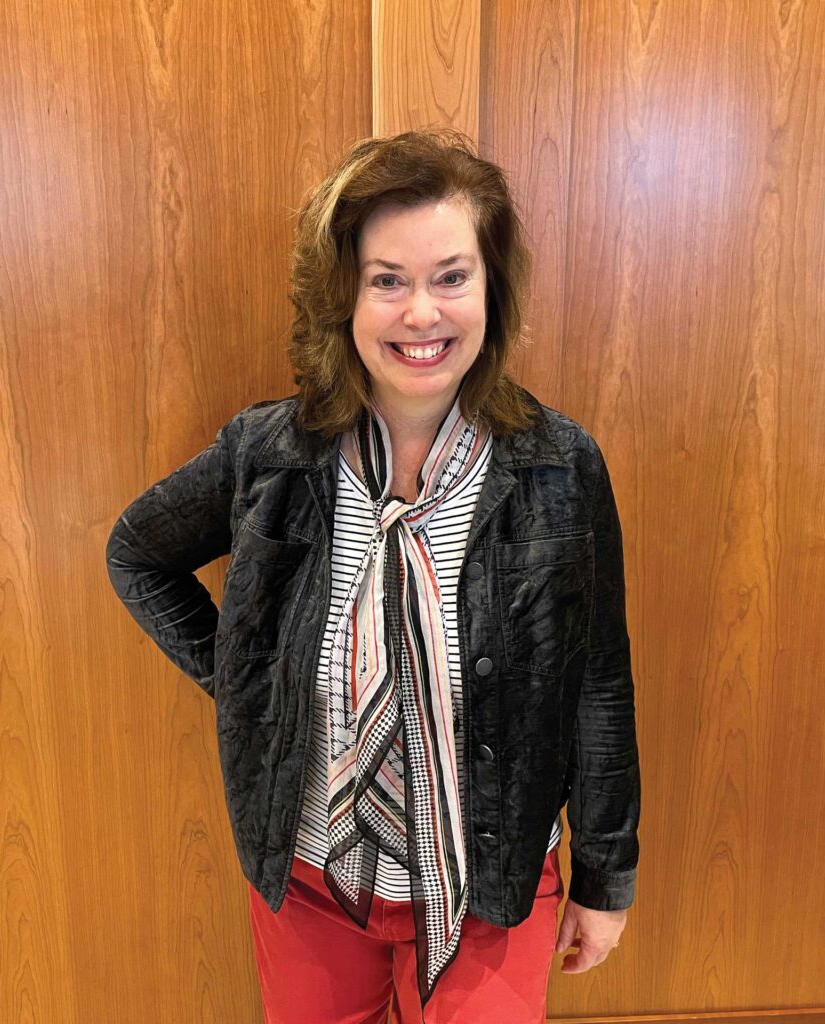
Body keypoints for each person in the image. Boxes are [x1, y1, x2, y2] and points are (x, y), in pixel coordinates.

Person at [106, 127, 641, 1024]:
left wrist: (607, 877)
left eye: (451, 277)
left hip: (494, 879)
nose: (421, 314)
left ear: (492, 287)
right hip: (313, 874)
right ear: (342, 296)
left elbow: (598, 680)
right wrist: (252, 682)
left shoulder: (559, 468)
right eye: (386, 279)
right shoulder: (270, 454)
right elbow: (139, 553)